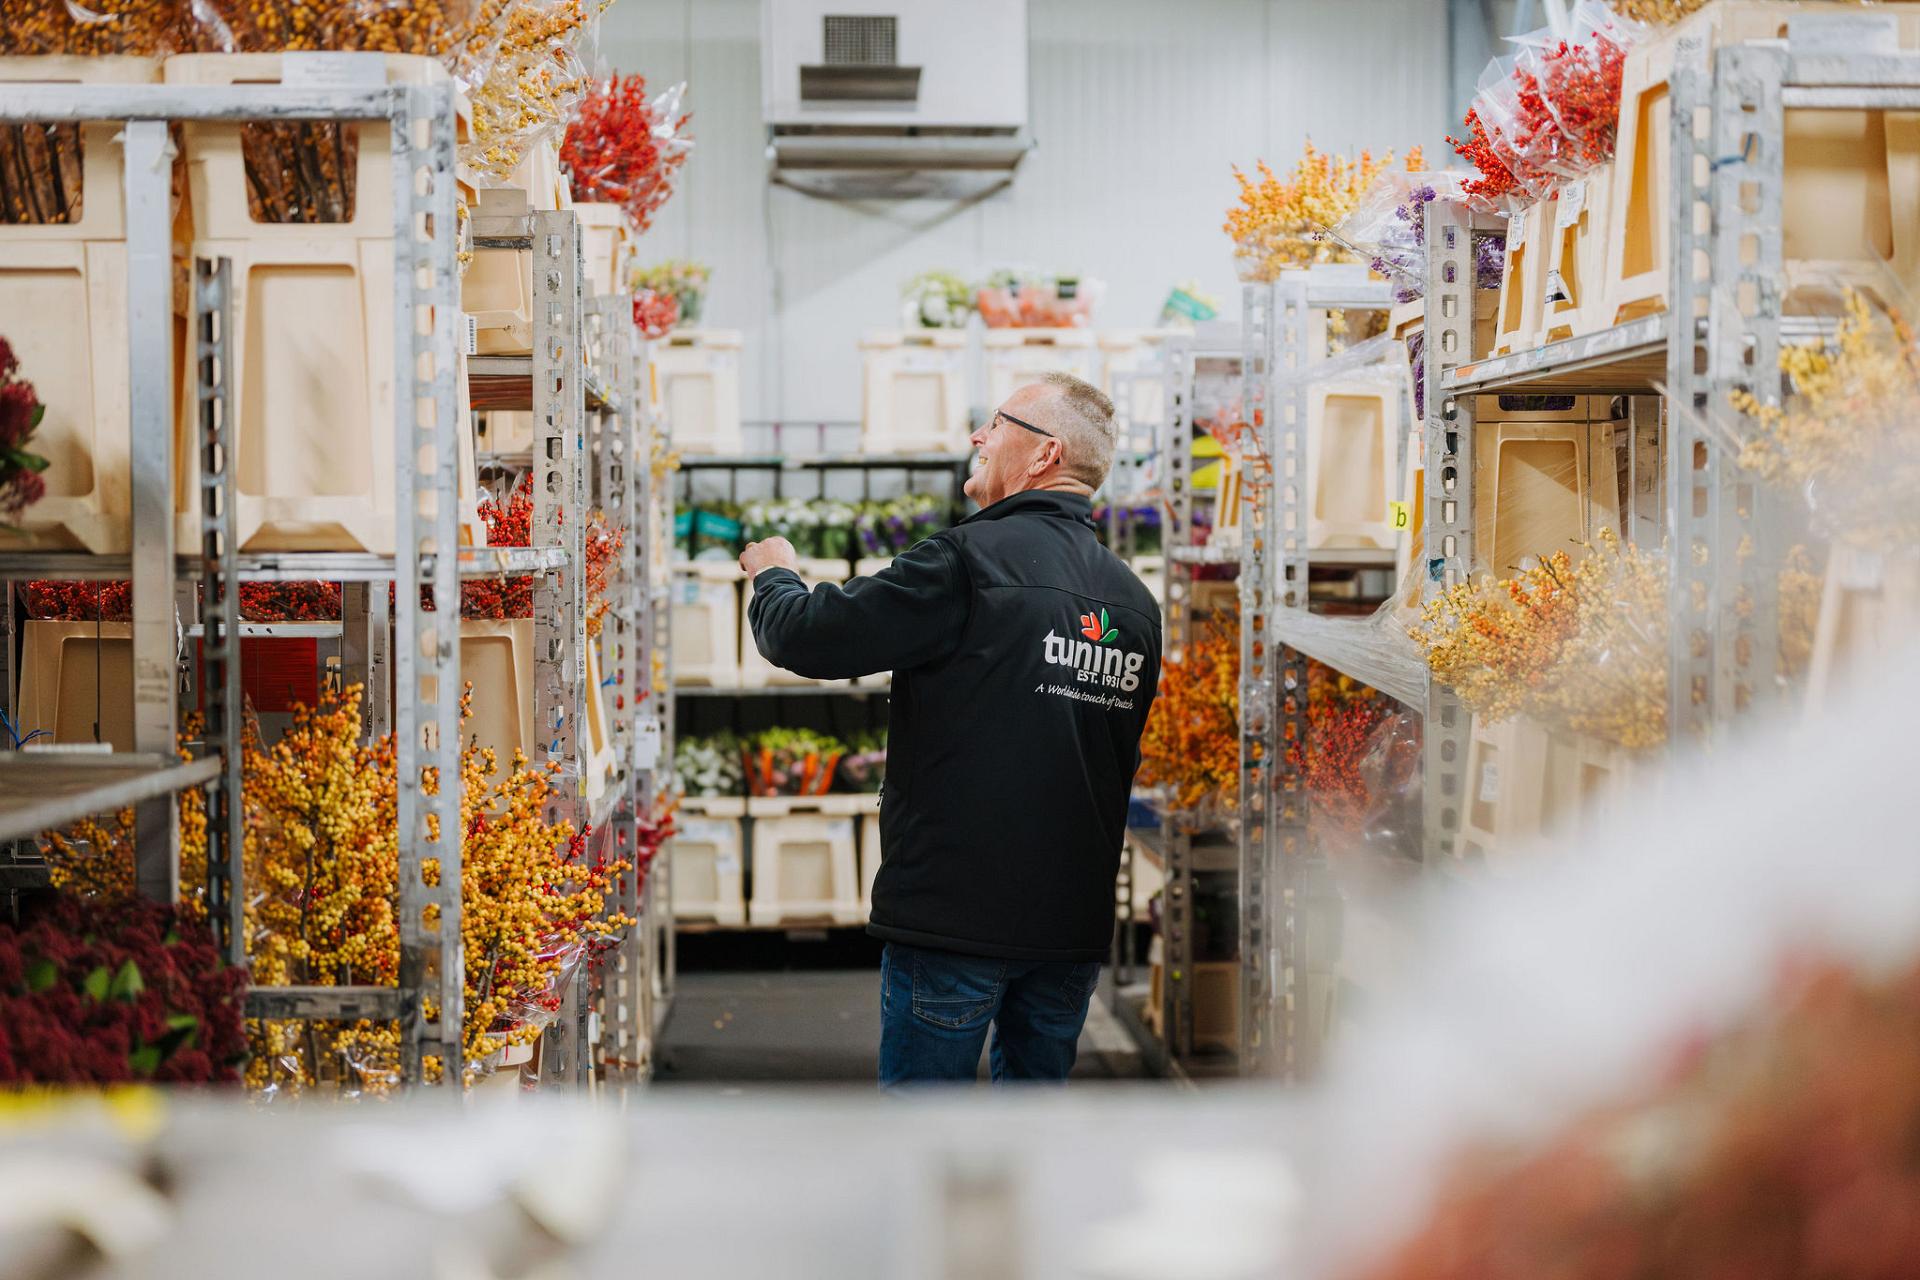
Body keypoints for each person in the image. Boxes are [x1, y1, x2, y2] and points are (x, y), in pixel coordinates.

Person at [739, 373, 1161, 1087]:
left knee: (925, 1134)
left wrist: (776, 576)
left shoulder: (965, 564)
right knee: (1029, 1136)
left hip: (953, 919)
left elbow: (811, 638)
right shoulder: (1134, 604)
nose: (976, 437)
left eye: (994, 424)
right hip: (1071, 928)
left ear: (1043, 454)